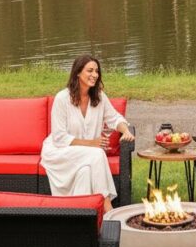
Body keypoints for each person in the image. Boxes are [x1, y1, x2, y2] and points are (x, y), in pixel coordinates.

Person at [41, 55, 135, 212]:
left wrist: (125, 131)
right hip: (59, 152)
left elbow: (114, 118)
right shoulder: (62, 98)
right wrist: (91, 144)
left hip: (85, 155)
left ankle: (83, 214)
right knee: (97, 153)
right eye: (90, 71)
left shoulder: (98, 97)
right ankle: (107, 207)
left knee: (85, 172)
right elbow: (59, 138)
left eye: (97, 71)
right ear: (78, 72)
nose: (95, 75)